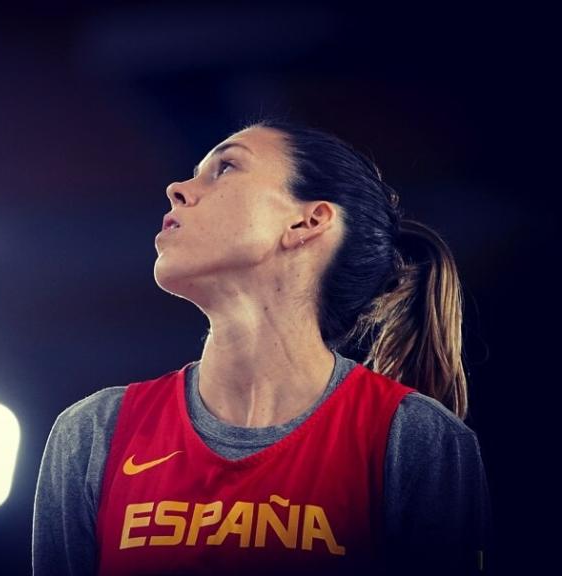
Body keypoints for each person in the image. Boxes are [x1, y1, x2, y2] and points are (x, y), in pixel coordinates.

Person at [31, 119, 493, 575]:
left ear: (307, 221)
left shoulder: (415, 438)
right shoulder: (94, 433)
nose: (177, 188)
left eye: (226, 167)